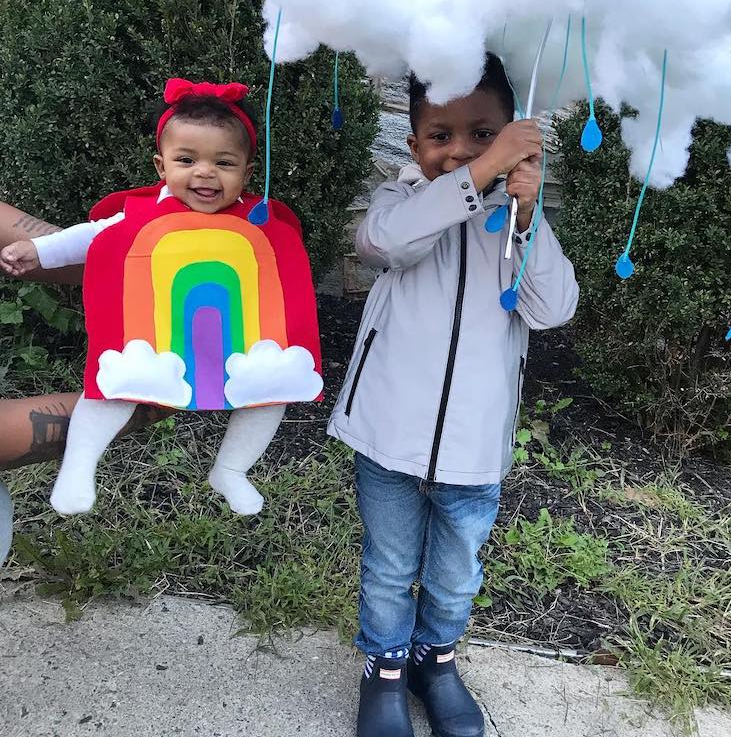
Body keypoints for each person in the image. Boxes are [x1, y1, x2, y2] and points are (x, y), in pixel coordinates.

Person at [327, 53, 579, 737]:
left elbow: (553, 308)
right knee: (388, 567)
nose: (461, 149)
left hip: (473, 447)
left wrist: (526, 218)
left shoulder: (512, 220)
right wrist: (480, 170)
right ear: (414, 146)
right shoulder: (402, 201)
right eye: (442, 136)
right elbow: (383, 243)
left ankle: (434, 662)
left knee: (456, 574)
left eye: (483, 133)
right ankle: (382, 669)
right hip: (387, 434)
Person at [0, 78, 322, 516]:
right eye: (186, 159)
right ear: (161, 165)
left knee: (275, 389)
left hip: (238, 336)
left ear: (247, 172)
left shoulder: (258, 222)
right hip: (154, 332)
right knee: (115, 385)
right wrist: (37, 249)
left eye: (223, 162)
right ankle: (79, 466)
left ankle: (231, 468)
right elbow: (91, 236)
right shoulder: (143, 215)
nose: (204, 172)